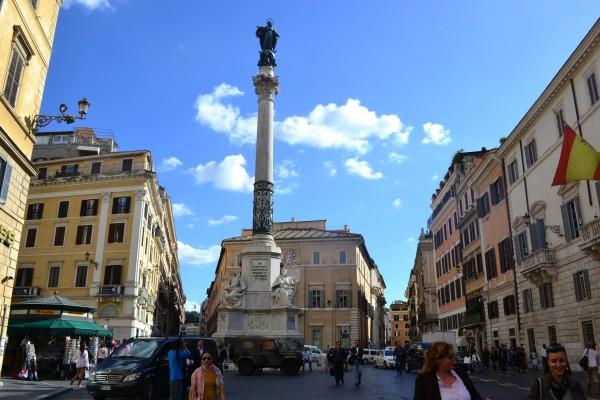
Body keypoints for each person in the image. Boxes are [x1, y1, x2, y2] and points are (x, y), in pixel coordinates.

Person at [413, 341, 483, 400]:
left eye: (453, 356)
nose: (454, 361)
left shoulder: (460, 372)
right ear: (438, 360)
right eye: (449, 357)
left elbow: (475, 396)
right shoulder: (424, 380)